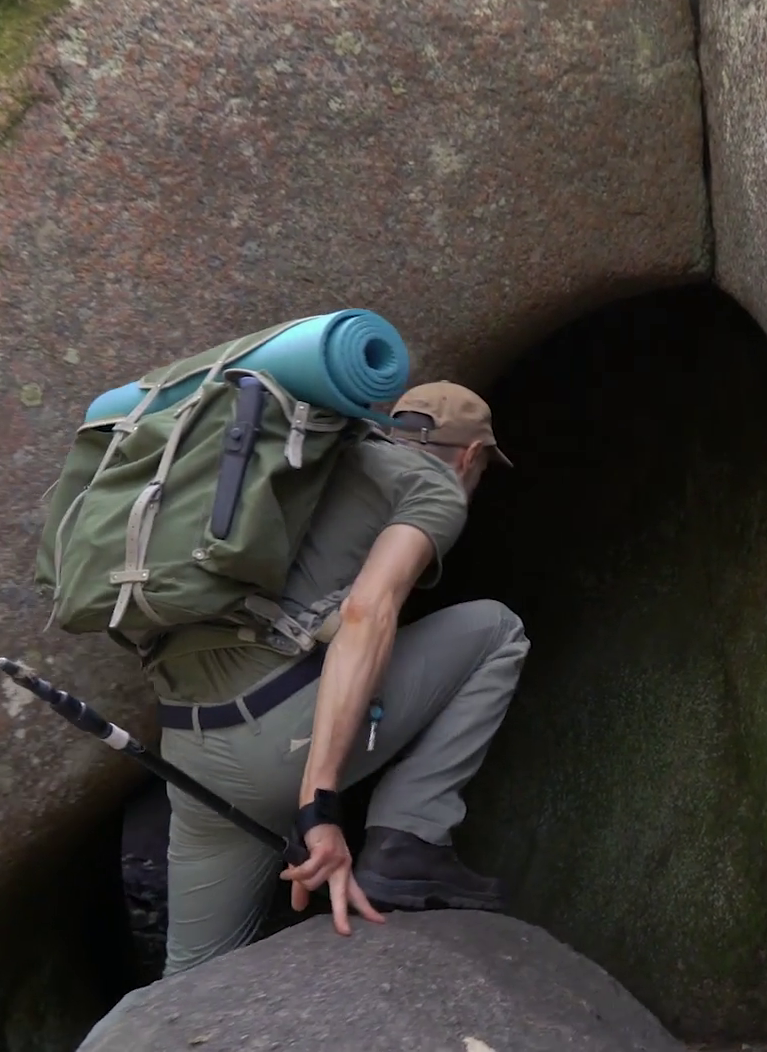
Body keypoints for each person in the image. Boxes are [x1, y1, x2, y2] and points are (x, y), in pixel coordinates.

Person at [144, 380, 529, 976]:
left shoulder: (315, 460)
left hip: (189, 751)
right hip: (276, 748)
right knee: (497, 630)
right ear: (472, 456)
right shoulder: (433, 486)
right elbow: (365, 613)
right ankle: (410, 840)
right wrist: (318, 806)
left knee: (190, 979)